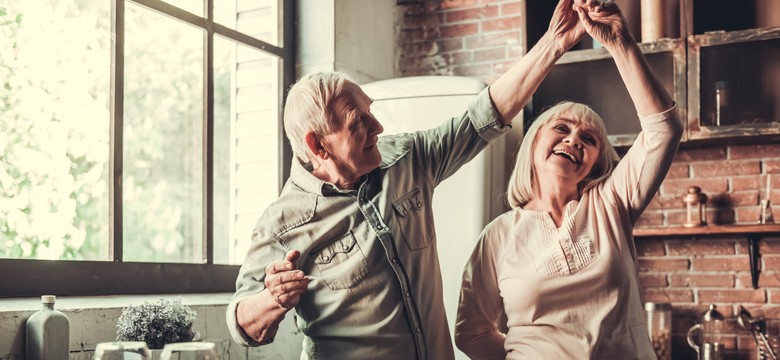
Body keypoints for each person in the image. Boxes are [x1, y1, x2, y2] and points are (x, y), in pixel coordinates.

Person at [225, 0, 587, 358]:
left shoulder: (406, 159)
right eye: (358, 123)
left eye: (371, 111)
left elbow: (483, 116)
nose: (377, 128)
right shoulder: (282, 223)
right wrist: (271, 299)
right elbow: (242, 324)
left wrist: (553, 42)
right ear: (318, 145)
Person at [454, 0, 683, 359]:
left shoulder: (610, 203)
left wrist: (619, 42)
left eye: (588, 139)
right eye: (561, 128)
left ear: (593, 163)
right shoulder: (498, 236)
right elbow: (472, 334)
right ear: (533, 145)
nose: (573, 139)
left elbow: (664, 129)